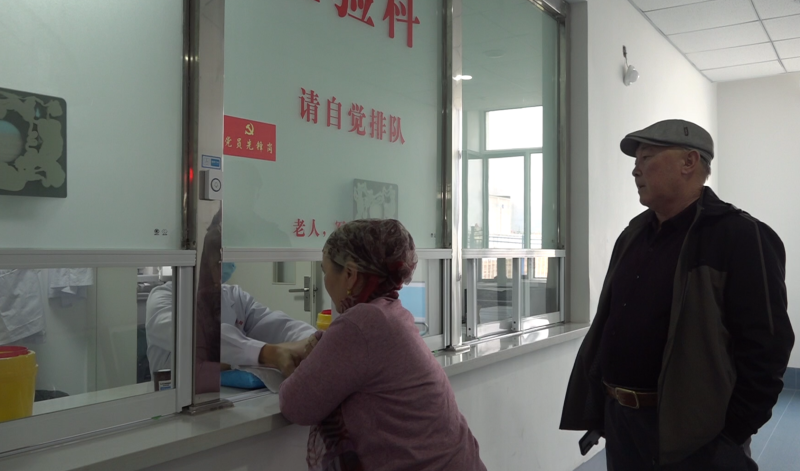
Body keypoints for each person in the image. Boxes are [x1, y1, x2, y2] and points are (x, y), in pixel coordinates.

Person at [560, 119, 794, 470]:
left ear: (689, 162)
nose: (635, 170)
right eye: (635, 162)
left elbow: (768, 346)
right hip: (621, 424)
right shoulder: (633, 235)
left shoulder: (741, 236)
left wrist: (731, 432)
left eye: (646, 158)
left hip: (697, 437)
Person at [279, 219, 486, 471]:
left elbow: (295, 404)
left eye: (325, 271)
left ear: (349, 275)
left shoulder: (362, 323)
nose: (325, 280)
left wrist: (298, 363)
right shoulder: (391, 314)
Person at [145, 260, 317, 378]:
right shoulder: (163, 298)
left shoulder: (234, 295)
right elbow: (201, 336)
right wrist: (267, 353)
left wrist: (313, 339)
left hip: (232, 396)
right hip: (176, 403)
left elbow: (277, 325)